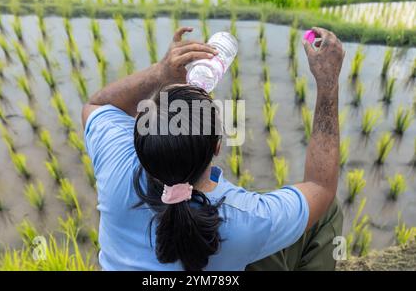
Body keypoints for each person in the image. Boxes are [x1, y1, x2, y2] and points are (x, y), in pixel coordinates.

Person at [82, 26, 345, 271]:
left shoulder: (115, 163)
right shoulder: (245, 220)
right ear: (218, 145)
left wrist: (159, 73)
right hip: (236, 244)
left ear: (138, 139)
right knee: (326, 212)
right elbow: (320, 188)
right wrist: (328, 83)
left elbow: (97, 106)